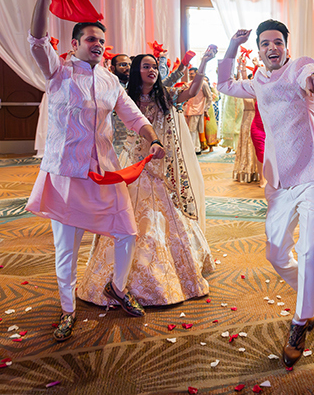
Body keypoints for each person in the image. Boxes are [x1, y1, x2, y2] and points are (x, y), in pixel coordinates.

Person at [25, 0, 165, 341]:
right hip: (66, 175)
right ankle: (68, 310)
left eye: (101, 41)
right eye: (90, 39)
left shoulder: (109, 82)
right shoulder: (58, 72)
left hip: (104, 172)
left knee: (126, 232)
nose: (98, 45)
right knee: (67, 248)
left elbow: (136, 117)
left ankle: (117, 288)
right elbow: (36, 40)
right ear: (74, 44)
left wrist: (152, 139)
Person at [216, 21, 314, 367]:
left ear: (286, 45)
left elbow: (313, 77)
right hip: (281, 181)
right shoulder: (257, 81)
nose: (273, 48)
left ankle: (300, 322)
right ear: (258, 48)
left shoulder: (299, 67)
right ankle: (308, 300)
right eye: (266, 43)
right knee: (276, 252)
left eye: (278, 42)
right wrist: (230, 48)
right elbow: (223, 84)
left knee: (311, 249)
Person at [78, 51, 216, 306]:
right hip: (133, 166)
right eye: (146, 66)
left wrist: (204, 62)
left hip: (160, 168)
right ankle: (120, 280)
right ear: (135, 71)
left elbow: (194, 89)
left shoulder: (166, 96)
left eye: (154, 66)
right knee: (130, 219)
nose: (152, 70)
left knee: (164, 217)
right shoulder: (125, 97)